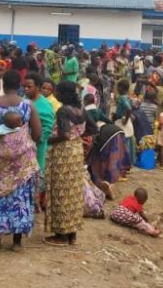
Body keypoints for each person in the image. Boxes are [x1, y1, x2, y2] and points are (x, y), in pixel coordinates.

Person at [0, 70, 41, 253]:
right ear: (20, 84)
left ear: (4, 85)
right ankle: (17, 242)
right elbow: (37, 134)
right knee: (19, 199)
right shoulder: (28, 106)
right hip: (22, 162)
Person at [44, 80, 96, 247]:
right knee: (73, 192)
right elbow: (94, 129)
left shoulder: (63, 111)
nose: (56, 93)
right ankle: (72, 235)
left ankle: (60, 235)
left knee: (61, 191)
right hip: (76, 151)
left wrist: (49, 139)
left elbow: (64, 134)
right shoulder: (82, 110)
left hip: (63, 152)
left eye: (58, 91)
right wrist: (78, 134)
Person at [23, 73, 56, 197]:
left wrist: (36, 138)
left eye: (29, 87)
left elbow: (48, 127)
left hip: (37, 147)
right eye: (24, 86)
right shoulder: (23, 100)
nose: (26, 89)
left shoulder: (45, 105)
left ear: (38, 87)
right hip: (23, 147)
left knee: (35, 177)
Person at [114, 79, 136, 165]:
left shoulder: (122, 98)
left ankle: (123, 164)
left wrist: (125, 120)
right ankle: (127, 163)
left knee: (122, 144)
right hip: (126, 122)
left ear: (120, 88)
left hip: (122, 123)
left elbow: (129, 109)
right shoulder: (128, 97)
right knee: (127, 144)